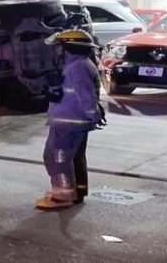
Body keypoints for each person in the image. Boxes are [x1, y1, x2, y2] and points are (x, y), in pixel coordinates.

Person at [36, 29, 104, 210]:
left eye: (60, 47)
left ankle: (63, 196)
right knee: (73, 158)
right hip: (69, 121)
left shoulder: (77, 67)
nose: (57, 51)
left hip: (70, 122)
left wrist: (93, 116)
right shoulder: (78, 64)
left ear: (68, 48)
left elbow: (86, 97)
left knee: (57, 158)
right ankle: (76, 191)